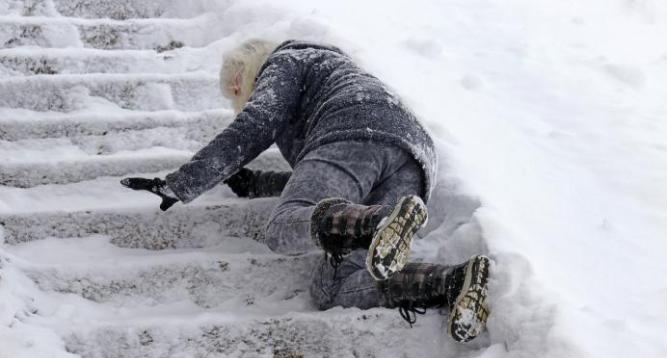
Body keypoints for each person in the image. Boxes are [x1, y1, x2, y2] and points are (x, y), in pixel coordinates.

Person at [121, 39, 490, 342]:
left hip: (354, 130)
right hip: (415, 159)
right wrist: (255, 183)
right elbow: (328, 179)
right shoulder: (335, 78)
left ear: (241, 78)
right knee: (334, 289)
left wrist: (184, 181)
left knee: (283, 228)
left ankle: (377, 222)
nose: (241, 103)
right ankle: (453, 279)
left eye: (238, 96)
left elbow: (258, 122)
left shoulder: (287, 60)